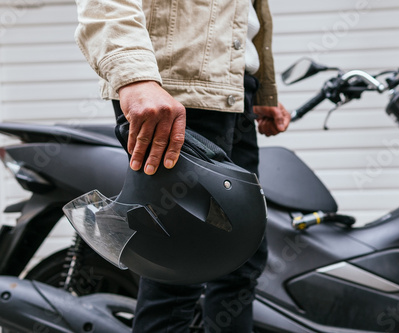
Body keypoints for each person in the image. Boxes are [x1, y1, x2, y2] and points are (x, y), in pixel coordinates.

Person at [74, 0, 290, 331]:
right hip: (175, 92)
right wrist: (135, 77)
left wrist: (262, 89)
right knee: (179, 271)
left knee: (240, 260)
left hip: (232, 91)